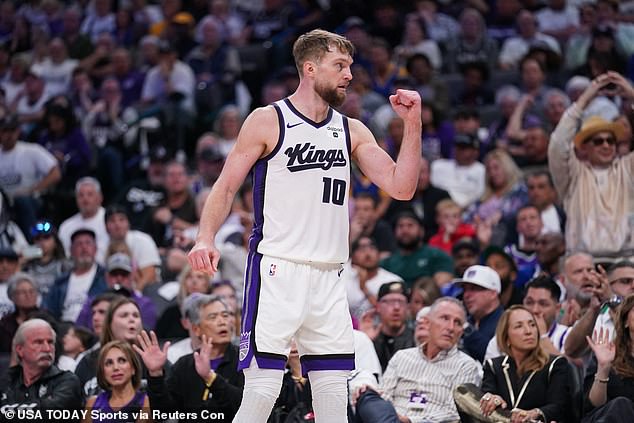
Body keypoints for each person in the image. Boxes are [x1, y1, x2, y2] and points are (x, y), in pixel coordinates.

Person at [188, 29, 422, 422]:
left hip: (330, 275)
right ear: (310, 69)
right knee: (262, 391)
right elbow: (226, 185)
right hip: (278, 268)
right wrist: (204, 237)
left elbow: (402, 187)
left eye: (350, 66)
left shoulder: (352, 130)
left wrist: (412, 124)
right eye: (340, 66)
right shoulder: (268, 120)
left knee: (334, 399)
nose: (349, 75)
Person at [548, 71, 634, 262]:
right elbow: (558, 144)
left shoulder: (628, 168)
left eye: (610, 141)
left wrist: (631, 95)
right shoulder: (573, 174)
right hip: (582, 265)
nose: (606, 145)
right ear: (584, 147)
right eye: (598, 141)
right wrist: (585, 99)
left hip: (626, 264)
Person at [352, 297, 482, 422]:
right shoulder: (402, 357)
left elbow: (454, 414)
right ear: (428, 323)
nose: (451, 327)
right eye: (445, 318)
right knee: (367, 395)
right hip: (391, 417)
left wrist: (410, 420)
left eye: (458, 322)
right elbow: (385, 396)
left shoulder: (466, 366)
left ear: (461, 332)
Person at [135, 294, 243, 420]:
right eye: (213, 317)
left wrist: (210, 378)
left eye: (225, 315)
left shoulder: (244, 361)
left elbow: (245, 406)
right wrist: (155, 374)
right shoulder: (184, 365)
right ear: (196, 329)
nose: (222, 322)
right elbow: (162, 413)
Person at [477, 305, 570, 423]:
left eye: (532, 325)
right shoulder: (494, 367)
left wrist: (534, 413)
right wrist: (493, 399)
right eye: (519, 326)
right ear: (506, 338)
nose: (528, 331)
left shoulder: (555, 364)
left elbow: (559, 406)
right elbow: (486, 397)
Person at [0, 319, 84, 411]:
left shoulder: (67, 381)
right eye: (38, 342)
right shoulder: (7, 381)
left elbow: (50, 412)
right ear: (20, 350)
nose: (47, 349)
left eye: (50, 342)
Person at [583, 294, 634, 422]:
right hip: (608, 417)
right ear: (626, 321)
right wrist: (603, 368)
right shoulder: (608, 354)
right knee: (621, 405)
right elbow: (594, 405)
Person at [83, 340, 151, 423]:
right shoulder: (92, 403)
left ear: (133, 368)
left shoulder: (146, 402)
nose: (115, 367)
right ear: (103, 372)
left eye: (122, 361)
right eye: (109, 363)